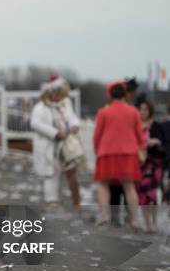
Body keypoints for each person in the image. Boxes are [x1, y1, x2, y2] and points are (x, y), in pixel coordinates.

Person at [93, 81, 145, 228]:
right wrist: (141, 149)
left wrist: (98, 151)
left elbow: (97, 136)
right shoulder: (133, 111)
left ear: (110, 94)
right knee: (129, 186)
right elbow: (140, 136)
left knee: (103, 184)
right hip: (128, 153)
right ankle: (135, 219)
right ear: (125, 94)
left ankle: (104, 216)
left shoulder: (103, 112)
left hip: (106, 152)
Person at [30, 78, 82, 209]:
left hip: (65, 145)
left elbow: (72, 118)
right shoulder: (40, 107)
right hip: (49, 145)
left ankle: (76, 201)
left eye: (59, 93)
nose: (57, 96)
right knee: (51, 173)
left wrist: (74, 125)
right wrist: (54, 133)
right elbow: (35, 124)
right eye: (55, 93)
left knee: (71, 172)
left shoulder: (64, 105)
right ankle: (51, 201)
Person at [136, 99, 165, 232]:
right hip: (140, 163)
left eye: (146, 109)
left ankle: (154, 221)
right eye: (141, 109)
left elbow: (163, 143)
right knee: (141, 193)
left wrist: (156, 142)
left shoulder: (157, 126)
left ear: (150, 110)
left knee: (151, 193)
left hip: (154, 163)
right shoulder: (135, 125)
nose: (143, 112)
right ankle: (148, 223)